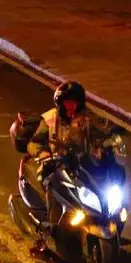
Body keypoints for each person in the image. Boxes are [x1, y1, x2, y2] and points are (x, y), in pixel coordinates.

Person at [25, 81, 99, 252]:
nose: (71, 105)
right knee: (52, 188)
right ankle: (48, 234)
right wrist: (43, 154)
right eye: (67, 102)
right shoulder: (50, 119)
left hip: (81, 167)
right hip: (54, 167)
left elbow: (99, 137)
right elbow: (34, 143)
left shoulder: (88, 119)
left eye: (75, 102)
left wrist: (105, 147)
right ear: (60, 103)